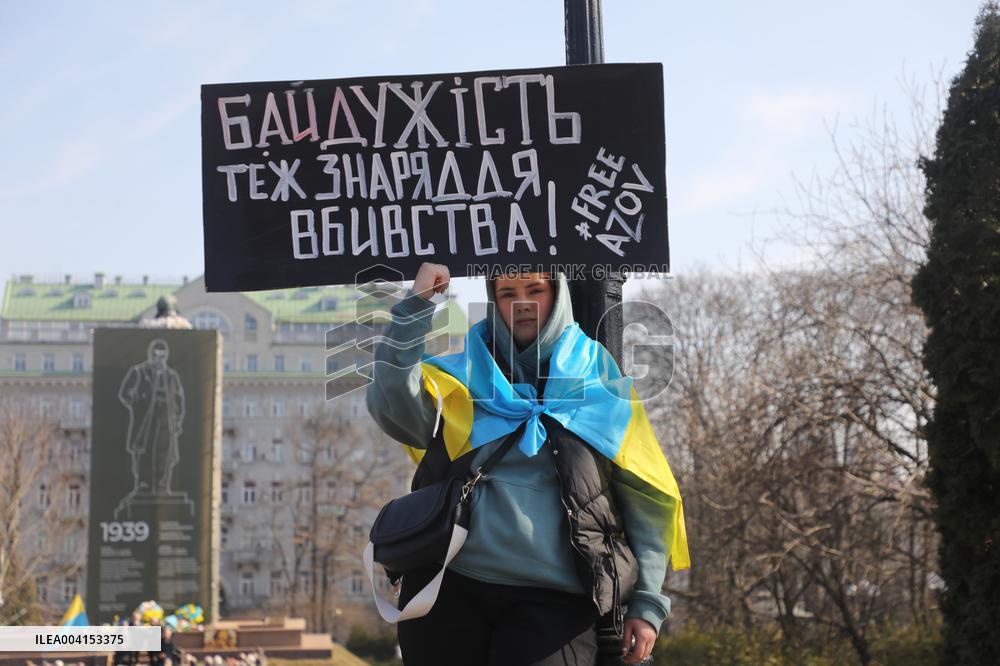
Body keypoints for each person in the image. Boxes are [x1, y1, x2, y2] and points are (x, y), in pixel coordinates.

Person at [366, 262, 688, 665]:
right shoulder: (461, 379)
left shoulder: (605, 389)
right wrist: (417, 304)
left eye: (535, 290)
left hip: (557, 605)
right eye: (507, 293)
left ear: (558, 296)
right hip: (447, 590)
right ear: (493, 300)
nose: (522, 304)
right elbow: (390, 400)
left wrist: (647, 605)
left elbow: (646, 504)